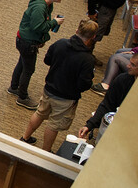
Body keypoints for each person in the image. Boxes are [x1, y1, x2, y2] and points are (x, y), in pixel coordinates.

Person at [20, 20, 98, 152]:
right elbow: (84, 84)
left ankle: (25, 137)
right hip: (66, 97)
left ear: (77, 30)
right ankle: (46, 151)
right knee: (54, 125)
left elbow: (47, 60)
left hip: (49, 88)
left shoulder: (60, 43)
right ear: (93, 37)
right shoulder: (87, 59)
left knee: (40, 112)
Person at [10, 0, 66, 111]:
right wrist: (54, 22)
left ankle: (13, 87)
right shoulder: (40, 7)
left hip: (24, 40)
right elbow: (38, 27)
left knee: (22, 64)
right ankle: (22, 98)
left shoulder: (46, 4)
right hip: (27, 43)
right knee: (28, 69)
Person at [79, 52, 138, 141]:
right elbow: (107, 105)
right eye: (130, 62)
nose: (128, 66)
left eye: (133, 65)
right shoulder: (122, 80)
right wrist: (89, 125)